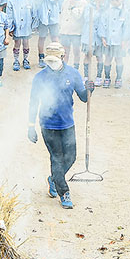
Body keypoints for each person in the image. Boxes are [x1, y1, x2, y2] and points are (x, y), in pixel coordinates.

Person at [27, 43, 90, 209]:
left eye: (55, 60)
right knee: (56, 157)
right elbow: (33, 102)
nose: (52, 64)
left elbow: (83, 97)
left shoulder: (73, 74)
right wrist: (30, 125)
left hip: (67, 124)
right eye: (49, 61)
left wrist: (90, 90)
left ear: (63, 57)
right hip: (48, 125)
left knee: (71, 157)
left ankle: (54, 178)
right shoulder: (40, 77)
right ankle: (64, 192)